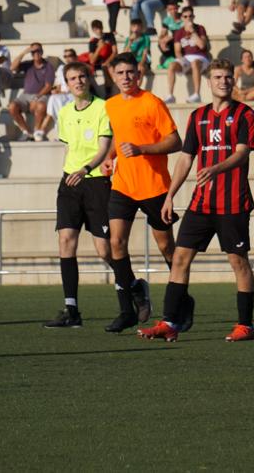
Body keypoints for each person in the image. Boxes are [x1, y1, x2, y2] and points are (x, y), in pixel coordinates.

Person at [139, 59, 254, 342]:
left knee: (238, 262)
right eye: (218, 77)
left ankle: (245, 325)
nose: (223, 82)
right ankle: (170, 322)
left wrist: (216, 168)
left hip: (233, 203)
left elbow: (242, 152)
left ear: (233, 80)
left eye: (228, 77)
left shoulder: (245, 114)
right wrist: (170, 196)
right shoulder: (198, 116)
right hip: (201, 203)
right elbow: (185, 158)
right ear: (209, 81)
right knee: (180, 258)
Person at [100, 53, 184, 333]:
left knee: (166, 247)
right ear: (113, 75)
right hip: (122, 185)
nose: (126, 77)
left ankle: (180, 304)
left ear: (139, 74)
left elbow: (175, 141)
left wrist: (142, 149)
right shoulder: (111, 105)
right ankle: (131, 299)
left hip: (154, 186)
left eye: (130, 73)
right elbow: (118, 135)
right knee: (116, 244)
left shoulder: (152, 103)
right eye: (120, 73)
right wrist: (110, 157)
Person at [43, 62, 114, 328]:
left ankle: (133, 286)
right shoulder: (64, 112)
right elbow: (69, 148)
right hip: (70, 182)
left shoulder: (103, 107)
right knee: (65, 240)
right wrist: (70, 175)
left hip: (95, 182)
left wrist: (86, 169)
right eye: (72, 78)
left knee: (104, 249)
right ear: (67, 83)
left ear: (89, 79)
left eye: (82, 76)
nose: (78, 81)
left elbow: (104, 147)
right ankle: (71, 310)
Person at [9, 43, 55, 142]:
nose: (36, 53)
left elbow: (48, 86)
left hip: (42, 94)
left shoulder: (48, 66)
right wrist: (24, 52)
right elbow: (12, 67)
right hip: (25, 95)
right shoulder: (28, 64)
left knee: (41, 106)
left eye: (38, 50)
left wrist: (37, 97)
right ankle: (26, 132)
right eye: (33, 51)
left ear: (42, 52)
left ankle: (37, 131)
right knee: (12, 107)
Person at [165, 6, 210, 104]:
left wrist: (193, 32)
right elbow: (177, 50)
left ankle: (196, 94)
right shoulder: (179, 32)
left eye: (190, 16)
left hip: (200, 57)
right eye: (185, 16)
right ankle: (170, 95)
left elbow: (202, 46)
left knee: (195, 62)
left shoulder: (200, 28)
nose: (188, 18)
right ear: (182, 18)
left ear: (194, 17)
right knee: (171, 65)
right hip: (186, 58)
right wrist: (181, 60)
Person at [40, 48, 79, 140]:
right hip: (64, 95)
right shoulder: (61, 69)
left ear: (75, 57)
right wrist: (55, 90)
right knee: (54, 98)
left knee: (57, 100)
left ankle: (42, 129)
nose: (67, 58)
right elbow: (57, 85)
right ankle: (50, 130)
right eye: (65, 56)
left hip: (76, 95)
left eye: (70, 56)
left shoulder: (80, 68)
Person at [157, 2, 184, 71]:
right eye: (170, 9)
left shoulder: (183, 17)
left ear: (178, 8)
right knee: (162, 43)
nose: (173, 11)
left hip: (183, 40)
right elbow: (163, 33)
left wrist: (171, 37)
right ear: (167, 10)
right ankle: (169, 59)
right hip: (174, 40)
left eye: (175, 9)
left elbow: (185, 33)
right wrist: (161, 40)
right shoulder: (167, 20)